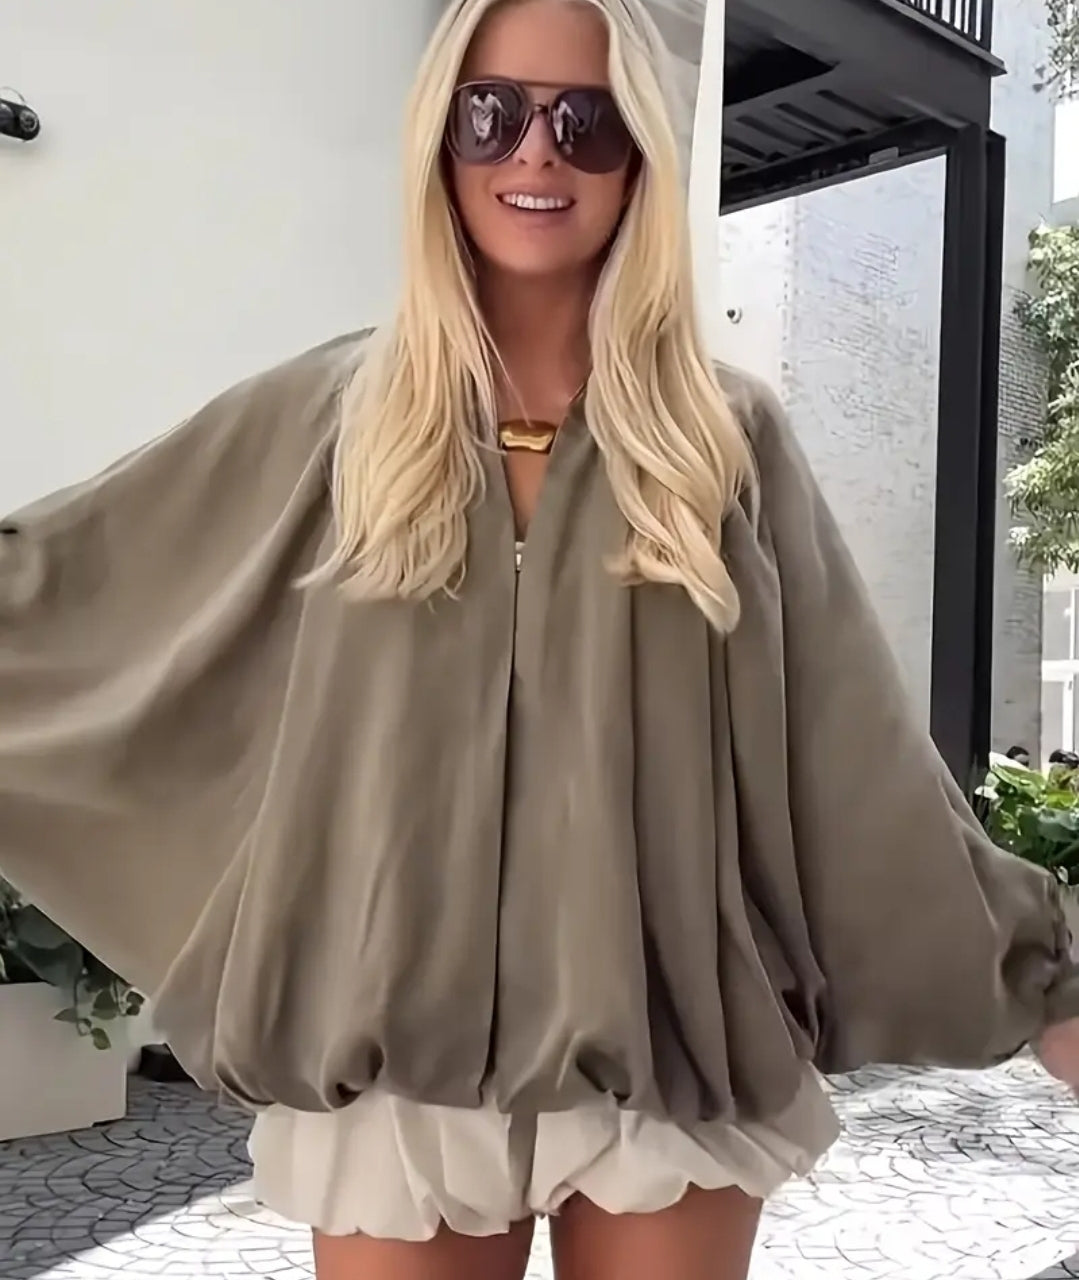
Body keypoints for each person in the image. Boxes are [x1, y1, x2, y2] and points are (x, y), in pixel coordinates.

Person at [2, 1, 1079, 1277]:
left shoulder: (718, 440)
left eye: (587, 121)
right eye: (491, 113)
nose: (534, 153)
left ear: (640, 159)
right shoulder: (332, 417)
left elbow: (849, 749)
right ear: (438, 138)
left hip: (669, 1059)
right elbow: (69, 589)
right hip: (397, 1074)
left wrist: (1038, 980)